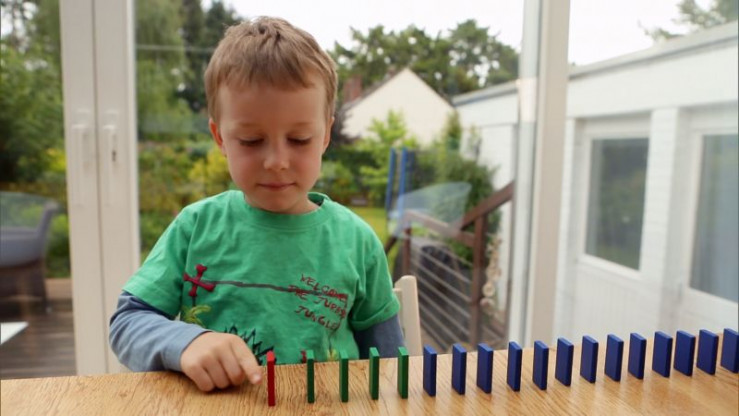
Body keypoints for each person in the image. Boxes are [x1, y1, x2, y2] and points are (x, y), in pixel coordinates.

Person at [109, 16, 404, 393]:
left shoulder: (357, 242)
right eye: (250, 141)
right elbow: (127, 323)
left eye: (299, 139)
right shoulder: (195, 227)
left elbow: (392, 366)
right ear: (220, 137)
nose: (277, 161)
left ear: (325, 135)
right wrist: (186, 342)